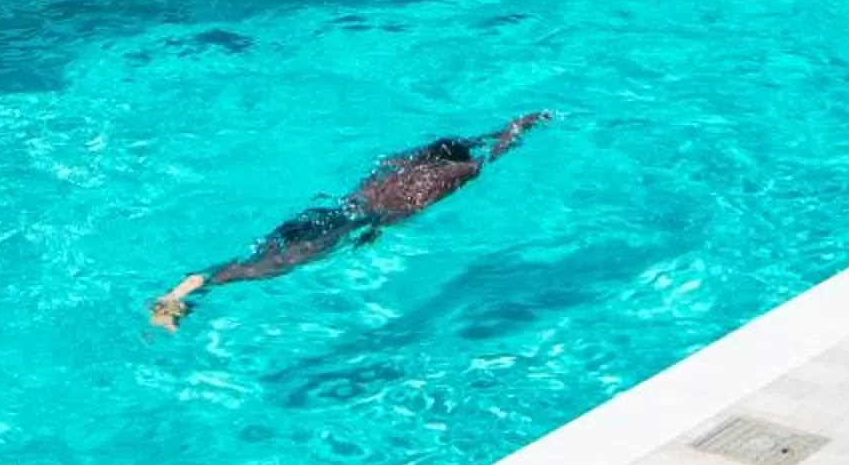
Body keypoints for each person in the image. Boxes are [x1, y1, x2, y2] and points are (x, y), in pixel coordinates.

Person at [148, 112, 552, 331]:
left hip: (332, 213)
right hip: (346, 224)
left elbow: (467, 149)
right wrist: (517, 130)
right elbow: (490, 155)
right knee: (259, 267)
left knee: (255, 260)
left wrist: (502, 130)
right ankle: (177, 297)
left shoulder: (407, 168)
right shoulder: (445, 178)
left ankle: (182, 292)